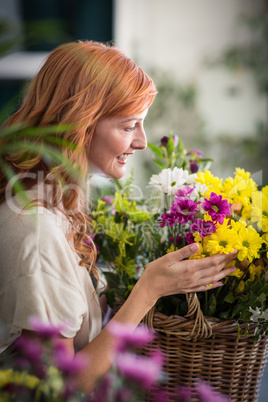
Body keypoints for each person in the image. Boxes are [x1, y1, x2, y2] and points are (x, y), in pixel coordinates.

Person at [0, 40, 237, 394]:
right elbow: (61, 387)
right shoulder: (37, 229)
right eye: (129, 126)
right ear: (78, 125)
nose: (142, 142)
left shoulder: (51, 196)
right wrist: (149, 290)